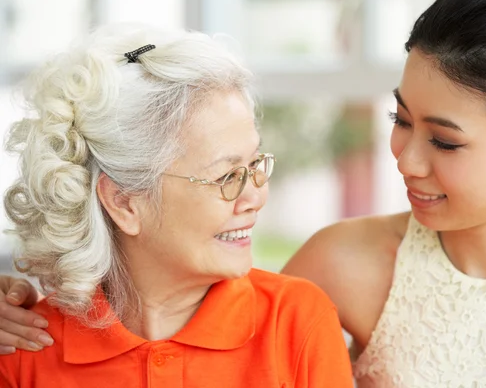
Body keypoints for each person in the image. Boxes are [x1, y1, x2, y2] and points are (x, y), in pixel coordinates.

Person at [3, 0, 486, 386]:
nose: (406, 161)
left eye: (445, 141)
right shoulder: (337, 264)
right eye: (400, 120)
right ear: (123, 199)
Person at [0, 23, 354, 387]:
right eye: (227, 176)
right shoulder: (24, 349)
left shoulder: (297, 325)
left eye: (253, 165)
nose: (255, 197)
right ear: (124, 202)